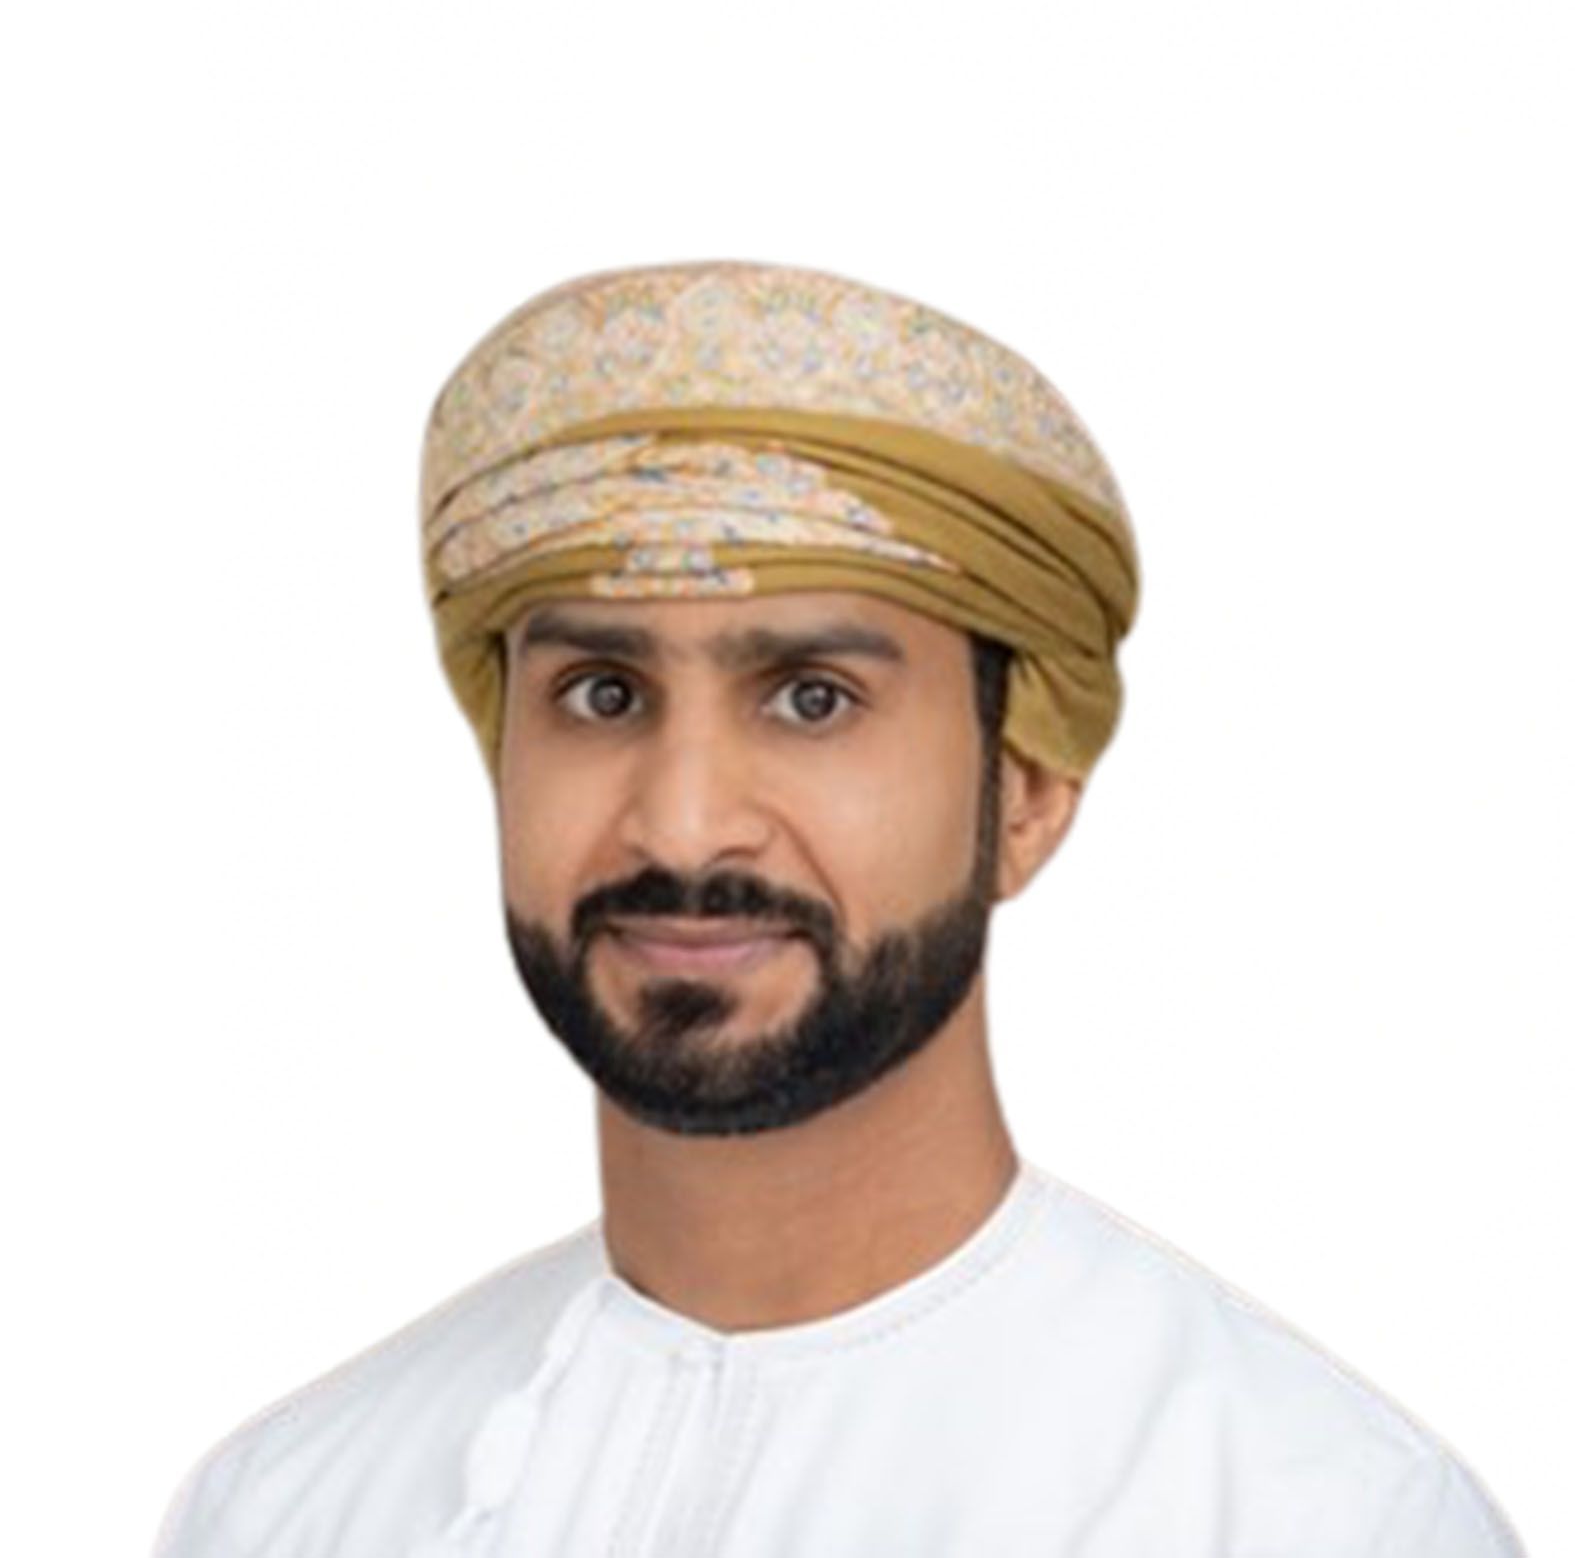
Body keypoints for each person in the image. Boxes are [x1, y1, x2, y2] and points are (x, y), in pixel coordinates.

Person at [152, 260, 1524, 1556]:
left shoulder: (1302, 1513)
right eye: (602, 695)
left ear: (1027, 791)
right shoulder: (293, 1505)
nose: (683, 821)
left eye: (815, 697)